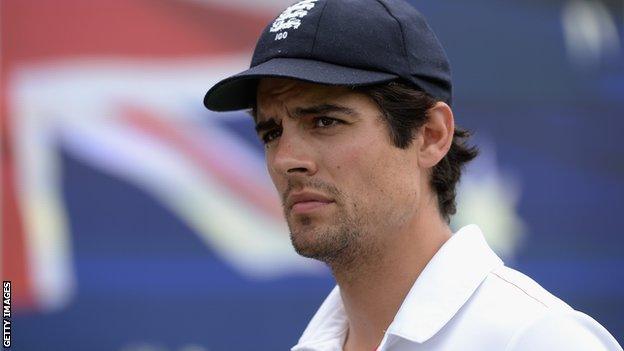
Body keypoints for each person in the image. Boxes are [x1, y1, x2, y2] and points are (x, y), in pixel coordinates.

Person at [203, 0, 623, 350]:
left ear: (430, 136)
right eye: (271, 132)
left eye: (324, 121)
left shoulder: (536, 339)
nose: (285, 160)